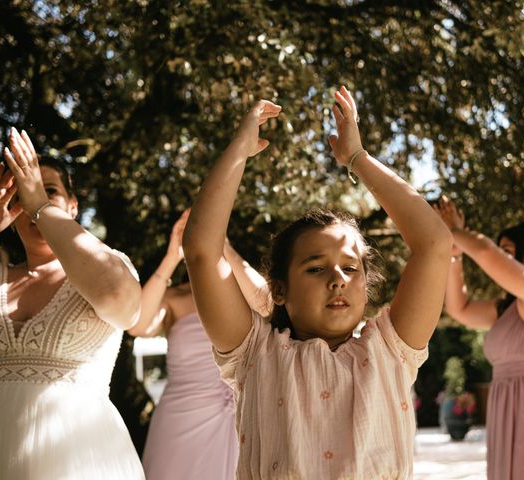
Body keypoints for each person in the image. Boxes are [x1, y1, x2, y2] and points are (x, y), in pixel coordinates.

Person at [182, 86, 453, 478]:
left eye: (351, 267)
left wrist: (357, 158)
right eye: (315, 268)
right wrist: (238, 151)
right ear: (278, 289)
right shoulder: (254, 355)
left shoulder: (390, 351)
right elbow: (202, 251)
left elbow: (435, 243)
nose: (338, 279)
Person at [0, 128, 144, 479]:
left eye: (50, 191)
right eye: (22, 194)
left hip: (81, 462)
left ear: (73, 207)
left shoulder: (109, 263)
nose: (31, 200)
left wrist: (39, 206)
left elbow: (122, 301)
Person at [435, 197, 524, 479]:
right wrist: (455, 253)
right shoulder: (507, 308)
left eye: (507, 251)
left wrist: (456, 231)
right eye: (500, 251)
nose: (501, 259)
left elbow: (487, 255)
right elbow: (459, 309)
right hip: (508, 412)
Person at [129, 209, 270, 480]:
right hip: (180, 419)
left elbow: (268, 306)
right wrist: (172, 256)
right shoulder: (172, 298)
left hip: (245, 420)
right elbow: (138, 325)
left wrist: (222, 245)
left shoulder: (245, 292)